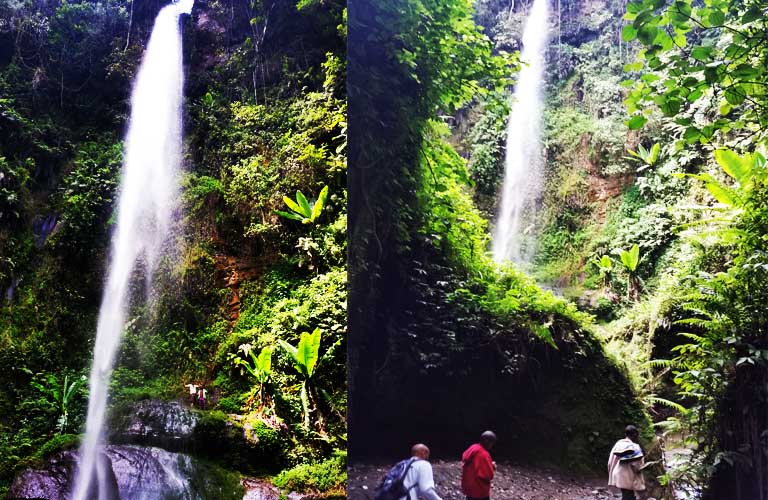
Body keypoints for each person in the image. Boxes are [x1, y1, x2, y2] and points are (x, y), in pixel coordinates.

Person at [608, 425, 646, 500]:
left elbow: (610, 461)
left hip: (617, 473)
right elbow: (637, 466)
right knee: (628, 496)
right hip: (627, 477)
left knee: (627, 494)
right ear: (635, 435)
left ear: (625, 434)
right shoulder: (635, 447)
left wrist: (611, 474)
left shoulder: (618, 444)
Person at [461, 431, 497, 500]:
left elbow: (475, 465)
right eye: (491, 443)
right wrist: (492, 467)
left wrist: (489, 464)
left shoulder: (473, 447)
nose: (492, 445)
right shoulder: (483, 454)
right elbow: (487, 475)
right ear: (487, 441)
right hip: (479, 490)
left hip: (469, 487)